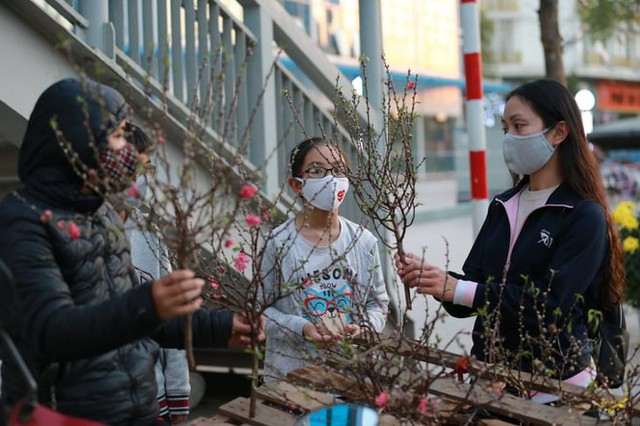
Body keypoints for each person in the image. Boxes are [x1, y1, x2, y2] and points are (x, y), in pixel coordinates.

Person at [0, 78, 261, 424]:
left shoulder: (101, 213)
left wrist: (219, 328)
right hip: (65, 415)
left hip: (134, 408)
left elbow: (131, 318)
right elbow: (52, 331)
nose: (129, 152)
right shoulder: (23, 221)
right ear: (82, 139)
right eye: (119, 135)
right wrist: (148, 303)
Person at [397, 79, 626, 401]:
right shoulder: (503, 204)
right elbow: (473, 293)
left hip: (555, 385)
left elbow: (550, 306)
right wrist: (439, 282)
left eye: (519, 126)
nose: (509, 138)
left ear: (559, 132)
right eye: (505, 127)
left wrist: (459, 289)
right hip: (492, 376)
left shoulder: (583, 215)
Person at [260, 137, 389, 382]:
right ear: (297, 185)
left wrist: (365, 328)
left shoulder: (364, 242)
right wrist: (303, 328)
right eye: (317, 171)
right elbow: (262, 312)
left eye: (338, 170)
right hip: (291, 380)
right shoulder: (276, 244)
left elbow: (379, 304)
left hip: (354, 378)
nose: (330, 178)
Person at [116, 123, 190, 425]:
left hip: (151, 401)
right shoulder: (74, 234)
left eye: (146, 171)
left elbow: (171, 319)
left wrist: (178, 397)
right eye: (132, 170)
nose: (140, 182)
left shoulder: (150, 236)